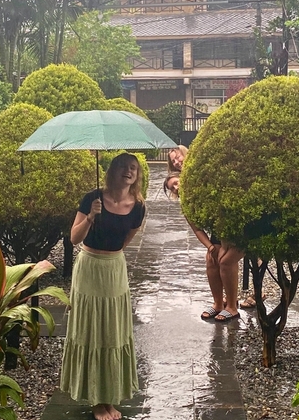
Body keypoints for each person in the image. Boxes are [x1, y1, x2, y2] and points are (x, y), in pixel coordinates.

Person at [60, 153, 146, 420]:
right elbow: (73, 239)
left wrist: (112, 257)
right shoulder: (92, 198)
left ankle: (109, 397)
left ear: (137, 175)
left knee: (112, 331)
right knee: (92, 331)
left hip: (114, 270)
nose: (128, 171)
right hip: (89, 268)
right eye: (123, 166)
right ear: (113, 170)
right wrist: (90, 217)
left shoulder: (138, 207)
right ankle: (97, 401)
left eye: (133, 168)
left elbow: (125, 240)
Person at [163, 169, 243, 322]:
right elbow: (197, 230)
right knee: (211, 259)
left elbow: (224, 215)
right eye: (172, 188)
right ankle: (218, 303)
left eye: (176, 183)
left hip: (238, 228)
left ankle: (232, 306)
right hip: (219, 233)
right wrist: (211, 247)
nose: (176, 188)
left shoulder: (205, 191)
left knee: (225, 261)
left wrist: (224, 246)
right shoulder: (186, 204)